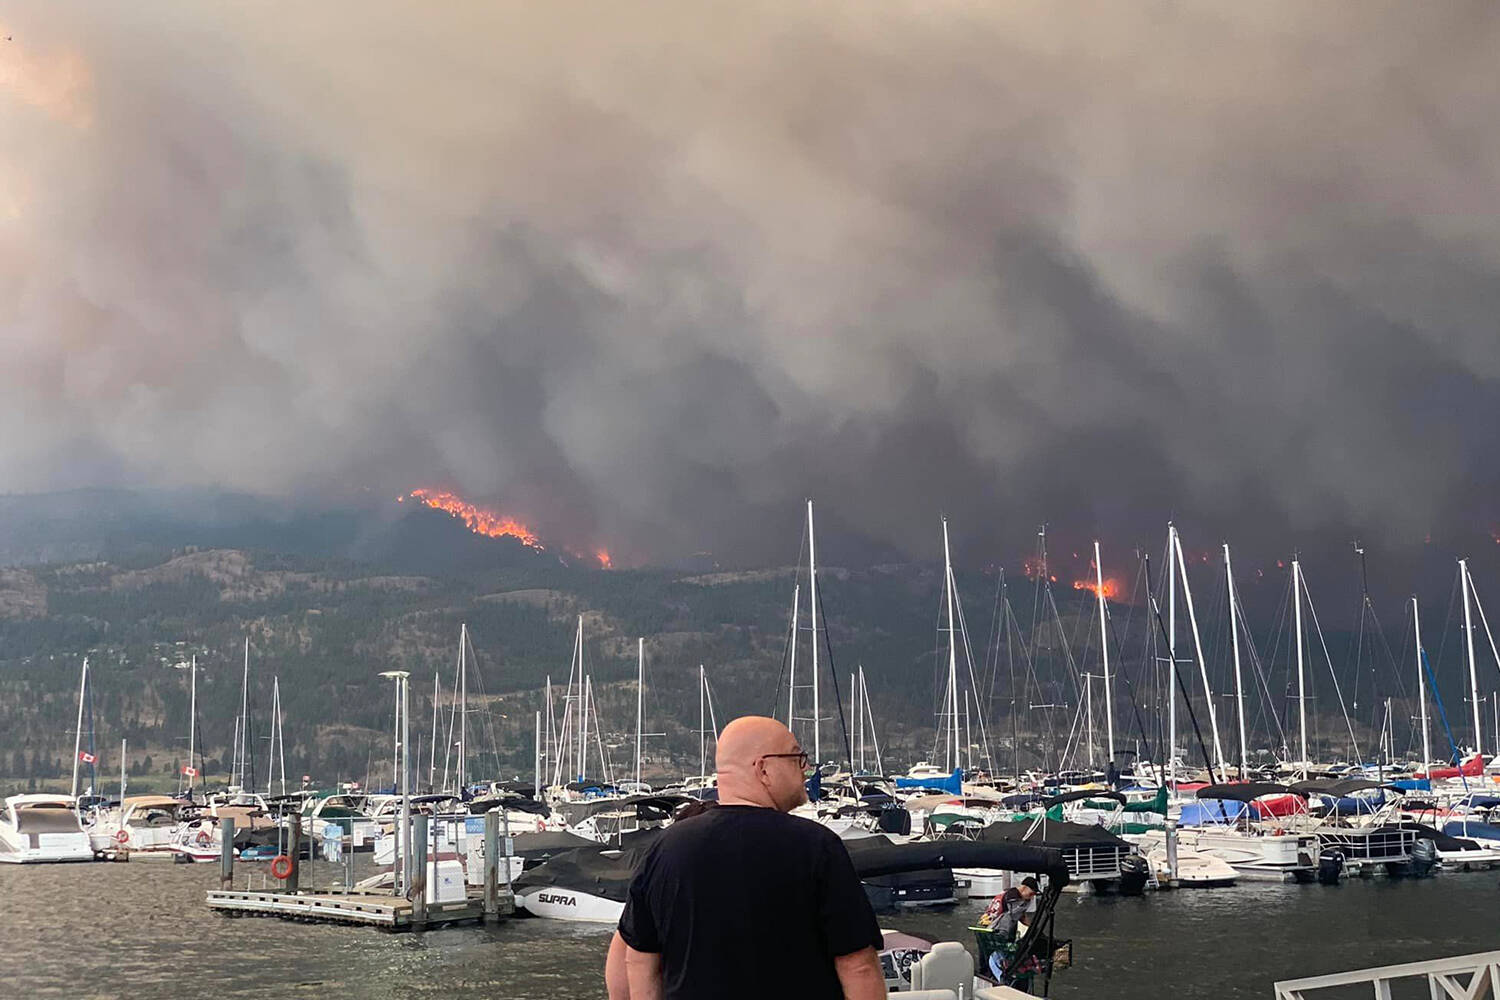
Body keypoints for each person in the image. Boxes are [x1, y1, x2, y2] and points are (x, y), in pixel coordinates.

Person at [615, 716, 886, 1000]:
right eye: (797, 758)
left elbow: (640, 962)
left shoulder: (663, 849)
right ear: (763, 768)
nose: (806, 769)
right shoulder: (817, 847)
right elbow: (859, 968)